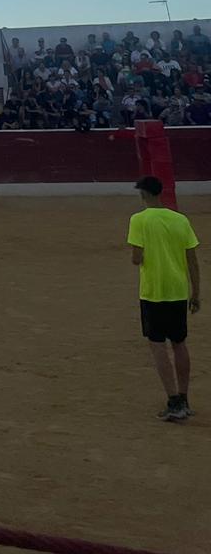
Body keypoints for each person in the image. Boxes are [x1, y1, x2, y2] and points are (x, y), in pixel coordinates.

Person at [126, 176, 200, 421]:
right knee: (179, 342)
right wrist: (196, 292)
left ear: (144, 195)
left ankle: (173, 401)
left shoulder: (139, 220)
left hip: (154, 291)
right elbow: (192, 259)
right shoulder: (180, 220)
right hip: (178, 290)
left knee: (158, 345)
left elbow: (137, 258)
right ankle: (184, 397)